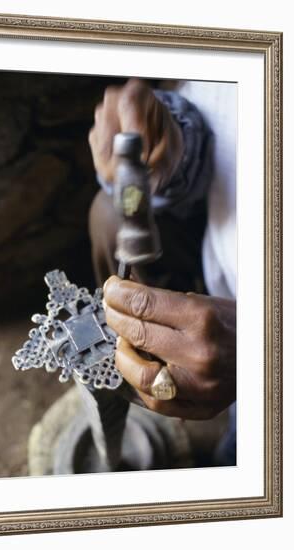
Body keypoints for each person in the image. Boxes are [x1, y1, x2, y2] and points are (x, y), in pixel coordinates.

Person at [88, 78, 236, 464]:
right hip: (223, 257)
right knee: (107, 215)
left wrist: (268, 351)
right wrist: (175, 144)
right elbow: (229, 144)